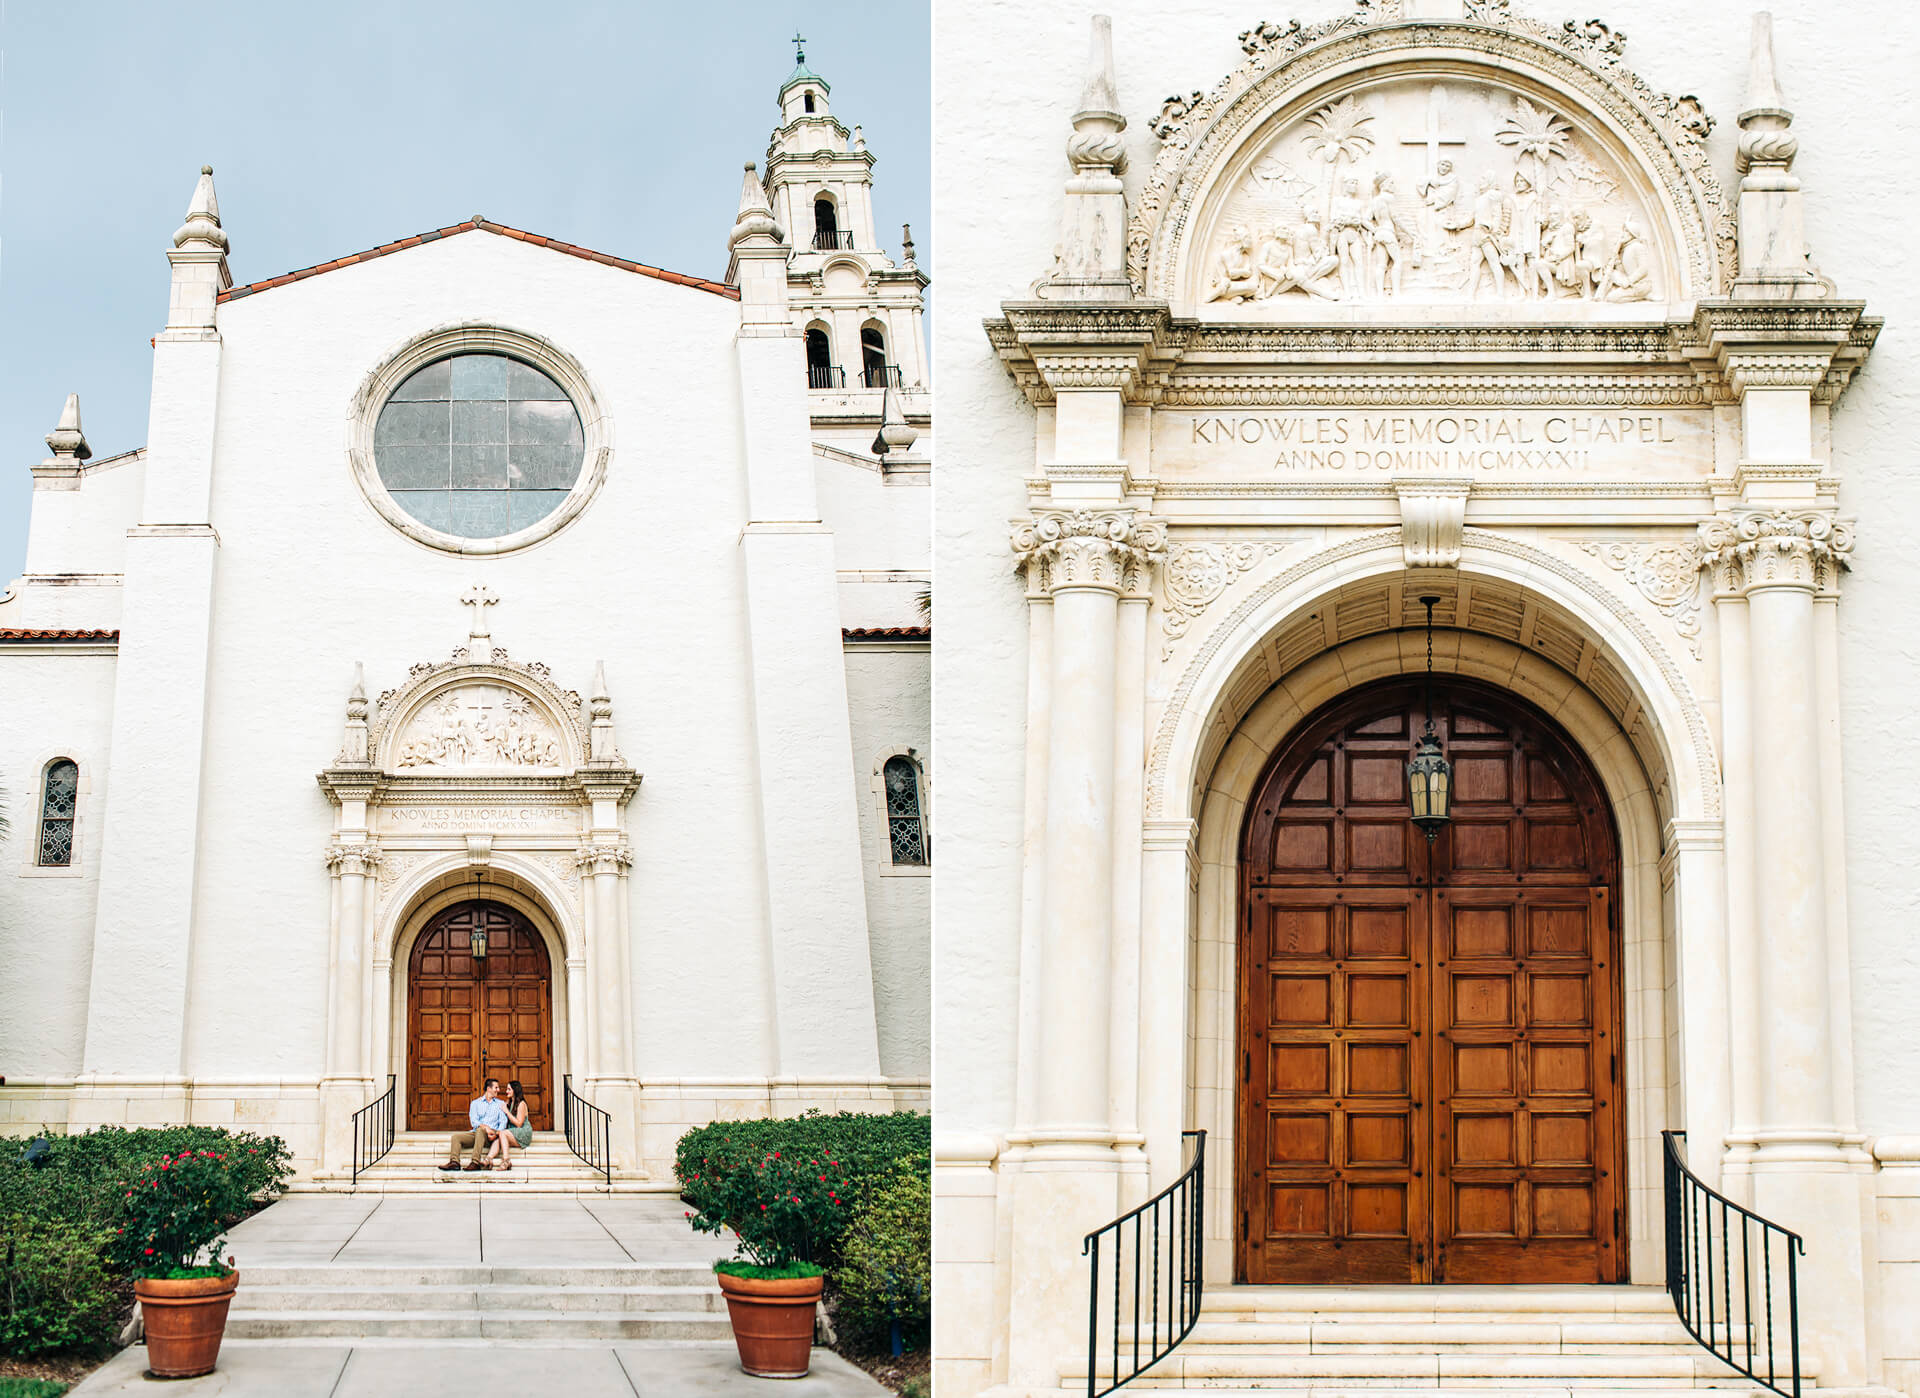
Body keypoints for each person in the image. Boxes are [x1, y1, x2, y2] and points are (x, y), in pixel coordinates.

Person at [437, 1078, 509, 1173]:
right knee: (456, 1137)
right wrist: (485, 1128)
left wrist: (496, 1133)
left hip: (492, 1135)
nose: (498, 1090)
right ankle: (454, 1163)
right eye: (496, 1087)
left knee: (480, 1130)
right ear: (488, 1088)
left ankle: (475, 1162)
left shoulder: (500, 1104)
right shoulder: (475, 1103)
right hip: (477, 1133)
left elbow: (503, 1122)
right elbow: (474, 1122)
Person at [485, 1080, 534, 1171]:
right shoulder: (509, 1102)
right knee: (499, 1136)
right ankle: (488, 1159)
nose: (506, 1091)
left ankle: (506, 1161)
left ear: (515, 1090)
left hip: (523, 1132)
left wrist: (507, 1111)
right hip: (512, 1132)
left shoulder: (521, 1104)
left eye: (509, 1089)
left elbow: (519, 1124)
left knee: (502, 1133)